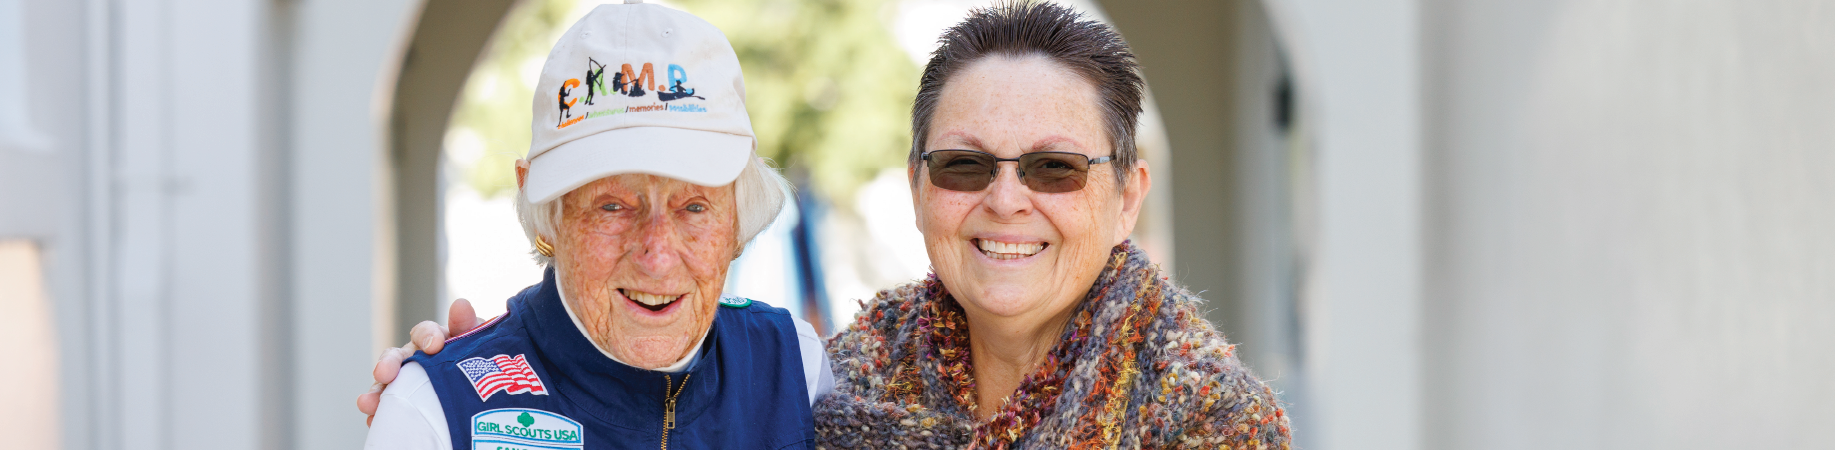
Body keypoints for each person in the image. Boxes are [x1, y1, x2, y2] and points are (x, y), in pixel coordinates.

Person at [371, 2, 1291, 448]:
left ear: (1128, 194)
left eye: (1054, 167)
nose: (1007, 201)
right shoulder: (846, 381)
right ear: (919, 188)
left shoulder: (1206, 425)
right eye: (965, 164)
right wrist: (458, 388)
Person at [360, 2, 832, 449]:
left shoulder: (799, 371)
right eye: (613, 207)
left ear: (736, 221)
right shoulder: (434, 412)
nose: (657, 254)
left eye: (693, 207)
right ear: (547, 211)